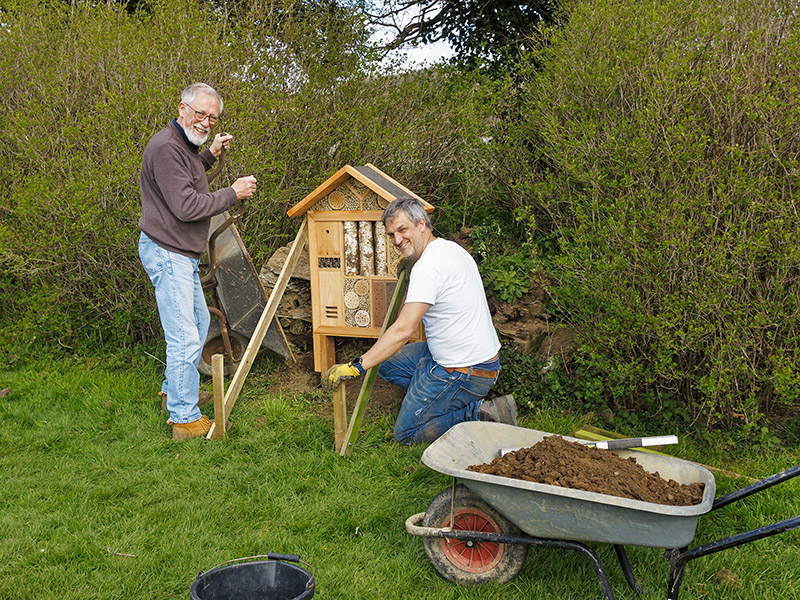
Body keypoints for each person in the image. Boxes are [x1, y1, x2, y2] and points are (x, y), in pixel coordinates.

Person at [325, 196, 517, 445]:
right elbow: (409, 312)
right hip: (470, 358)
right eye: (392, 234)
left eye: (402, 230)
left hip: (465, 372)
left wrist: (356, 367)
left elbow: (403, 330)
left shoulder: (428, 267)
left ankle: (479, 412)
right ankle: (432, 398)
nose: (397, 240)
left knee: (406, 434)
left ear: (421, 224)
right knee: (385, 364)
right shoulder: (449, 248)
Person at [138, 83, 258, 440]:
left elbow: (185, 176)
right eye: (200, 114)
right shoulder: (166, 148)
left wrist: (209, 154)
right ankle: (184, 419)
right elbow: (186, 205)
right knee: (185, 336)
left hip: (179, 252)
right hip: (168, 251)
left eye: (212, 117)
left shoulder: (182, 146)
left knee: (199, 323)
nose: (206, 122)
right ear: (182, 109)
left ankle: (174, 391)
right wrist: (232, 193)